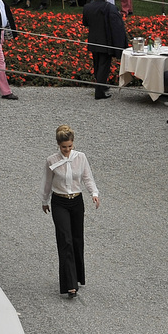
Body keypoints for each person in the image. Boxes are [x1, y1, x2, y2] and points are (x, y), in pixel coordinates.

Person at [41, 125, 100, 300]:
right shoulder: (51, 160)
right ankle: (70, 284)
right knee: (65, 239)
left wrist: (94, 194)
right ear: (58, 145)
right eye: (63, 147)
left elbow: (87, 177)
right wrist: (44, 200)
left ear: (73, 144)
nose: (67, 150)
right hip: (59, 202)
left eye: (69, 146)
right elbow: (47, 182)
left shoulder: (80, 157)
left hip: (76, 201)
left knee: (76, 239)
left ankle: (78, 275)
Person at [78, 0, 127, 100]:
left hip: (93, 40)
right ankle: (100, 91)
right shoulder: (110, 8)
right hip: (106, 42)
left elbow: (85, 23)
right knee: (104, 66)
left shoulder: (87, 7)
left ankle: (101, 86)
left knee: (97, 65)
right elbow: (117, 26)